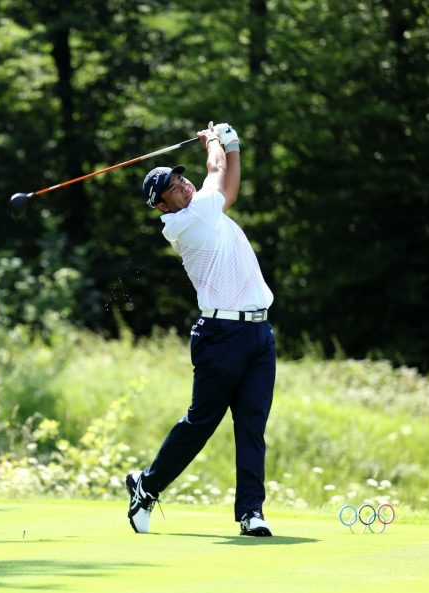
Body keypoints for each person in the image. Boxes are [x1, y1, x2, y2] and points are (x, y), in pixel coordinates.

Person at [127, 122, 276, 537]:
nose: (184, 184)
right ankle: (147, 485)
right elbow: (215, 175)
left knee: (251, 423)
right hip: (220, 336)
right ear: (161, 206)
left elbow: (227, 190)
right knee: (202, 422)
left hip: (259, 334)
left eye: (181, 177)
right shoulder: (185, 224)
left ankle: (251, 512)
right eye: (174, 186)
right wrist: (213, 141)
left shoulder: (208, 211)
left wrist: (234, 146)